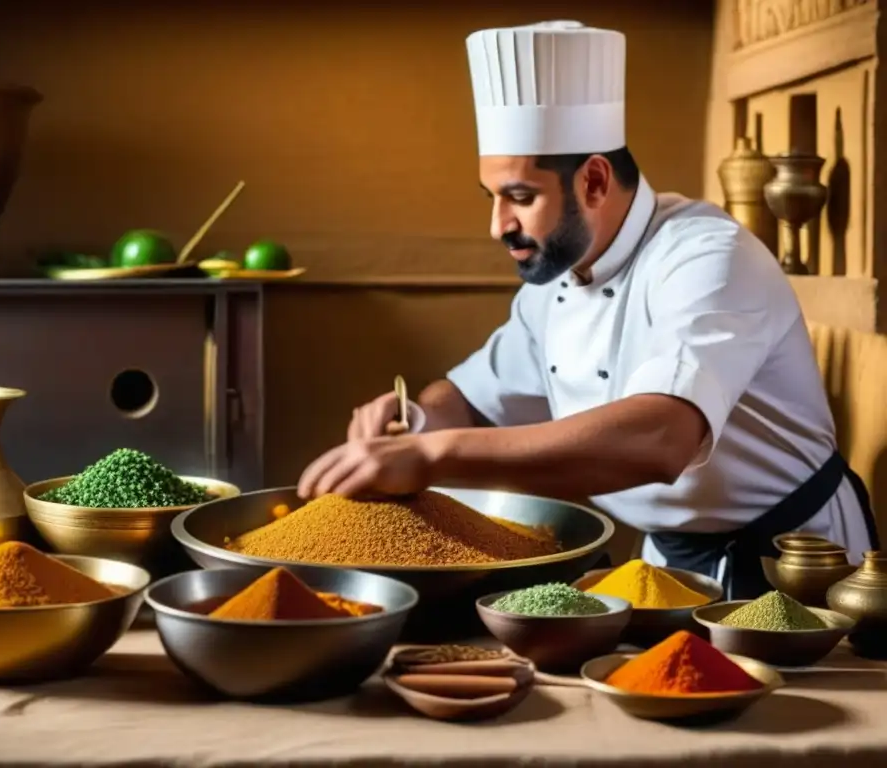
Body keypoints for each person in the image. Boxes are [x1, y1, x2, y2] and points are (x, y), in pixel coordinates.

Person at [296, 20, 879, 599]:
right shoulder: (554, 283)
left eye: (521, 197)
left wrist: (433, 455)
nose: (498, 226)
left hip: (794, 562)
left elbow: (662, 438)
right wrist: (411, 422)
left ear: (594, 181)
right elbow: (468, 399)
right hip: (664, 564)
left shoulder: (708, 257)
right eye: (492, 198)